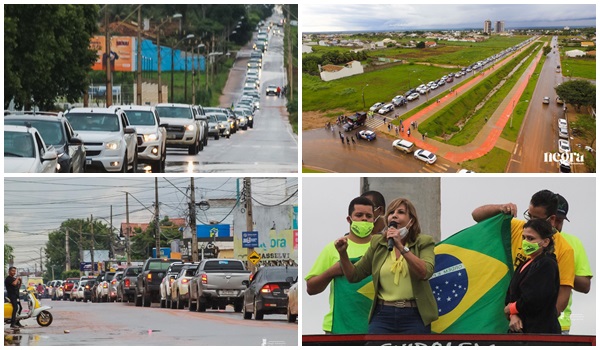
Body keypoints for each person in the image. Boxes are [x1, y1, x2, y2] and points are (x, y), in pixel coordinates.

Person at [334, 198, 438, 334]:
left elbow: (425, 272)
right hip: (383, 315)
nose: (394, 215)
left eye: (401, 212)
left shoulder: (423, 242)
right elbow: (354, 275)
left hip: (414, 315)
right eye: (391, 213)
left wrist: (400, 246)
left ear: (411, 221)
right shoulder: (379, 243)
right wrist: (343, 254)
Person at [471, 189, 575, 316]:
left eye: (536, 218)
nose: (530, 222)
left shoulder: (564, 249)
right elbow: (476, 215)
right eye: (529, 215)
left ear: (551, 219)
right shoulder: (516, 227)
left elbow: (562, 296)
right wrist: (500, 208)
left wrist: (540, 322)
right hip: (502, 310)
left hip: (533, 321)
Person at [305, 196, 377, 334]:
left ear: (374, 219)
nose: (364, 219)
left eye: (369, 216)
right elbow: (311, 288)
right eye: (359, 215)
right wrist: (333, 271)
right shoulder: (333, 248)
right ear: (349, 219)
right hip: (338, 329)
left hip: (378, 329)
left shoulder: (383, 247)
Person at [504, 219, 560, 334]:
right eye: (524, 238)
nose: (525, 242)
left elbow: (535, 298)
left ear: (545, 242)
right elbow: (510, 295)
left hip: (541, 334)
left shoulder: (547, 263)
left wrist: (512, 308)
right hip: (520, 332)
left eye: (531, 238)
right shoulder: (525, 263)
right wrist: (513, 315)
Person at [554, 194, 593, 334]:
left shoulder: (573, 243)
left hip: (560, 324)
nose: (555, 226)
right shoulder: (526, 238)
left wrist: (560, 268)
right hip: (522, 322)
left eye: (559, 221)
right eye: (552, 219)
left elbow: (585, 285)